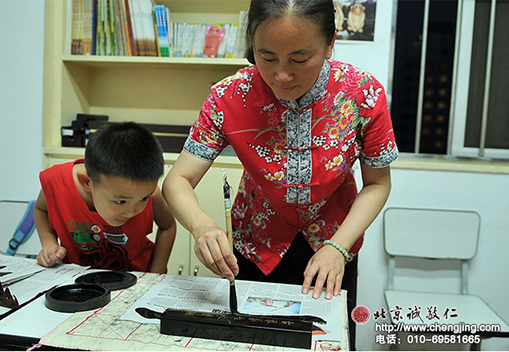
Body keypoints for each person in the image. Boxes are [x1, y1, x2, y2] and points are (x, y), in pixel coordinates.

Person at [162, 0, 398, 348]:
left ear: (331, 43)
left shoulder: (362, 95)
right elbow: (177, 181)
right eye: (267, 57)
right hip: (253, 248)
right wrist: (202, 226)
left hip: (333, 249)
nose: (282, 76)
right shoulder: (229, 96)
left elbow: (378, 184)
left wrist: (338, 248)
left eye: (299, 59)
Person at [34, 122, 176, 273]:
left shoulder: (152, 194)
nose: (131, 212)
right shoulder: (57, 183)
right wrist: (49, 242)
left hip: (136, 275)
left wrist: (156, 272)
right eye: (120, 201)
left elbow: (168, 226)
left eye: (143, 199)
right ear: (86, 182)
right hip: (78, 277)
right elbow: (41, 209)